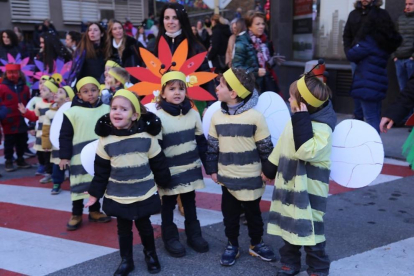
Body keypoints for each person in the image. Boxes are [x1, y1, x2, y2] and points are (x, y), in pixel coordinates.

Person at [85, 89, 171, 275]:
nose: (117, 112)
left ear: (134, 115)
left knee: (145, 227)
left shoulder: (147, 137)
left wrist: (164, 182)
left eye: (123, 109)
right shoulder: (105, 140)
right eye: (114, 108)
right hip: (118, 193)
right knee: (123, 229)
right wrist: (94, 194)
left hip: (143, 191)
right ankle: (126, 259)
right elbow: (101, 171)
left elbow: (158, 162)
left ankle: (150, 255)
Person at [262, 72, 336, 276]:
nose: (288, 99)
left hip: (310, 193)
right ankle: (290, 263)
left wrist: (301, 120)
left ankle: (318, 269)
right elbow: (282, 145)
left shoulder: (323, 129)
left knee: (312, 233)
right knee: (288, 226)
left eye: (292, 97)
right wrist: (270, 167)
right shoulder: (295, 120)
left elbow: (307, 150)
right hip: (289, 186)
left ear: (304, 105)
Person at [205, 68, 276, 266]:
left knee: (254, 215)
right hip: (227, 177)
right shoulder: (217, 117)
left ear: (233, 93)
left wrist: (268, 170)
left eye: (220, 84)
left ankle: (256, 243)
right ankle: (232, 244)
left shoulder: (255, 117)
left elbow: (265, 147)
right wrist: (212, 169)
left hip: (252, 176)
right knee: (230, 215)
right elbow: (212, 146)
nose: (217, 87)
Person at [156, 70, 209, 257]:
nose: (177, 92)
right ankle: (170, 238)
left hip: (190, 168)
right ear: (163, 93)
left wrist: (210, 168)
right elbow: (156, 150)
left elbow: (201, 142)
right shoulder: (158, 117)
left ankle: (194, 235)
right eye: (172, 89)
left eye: (181, 88)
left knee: (189, 203)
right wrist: (159, 174)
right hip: (169, 171)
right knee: (168, 205)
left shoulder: (193, 114)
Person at [59, 76, 111, 231]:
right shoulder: (72, 112)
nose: (90, 94)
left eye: (93, 90)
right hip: (77, 157)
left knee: (96, 181)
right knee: (78, 184)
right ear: (79, 95)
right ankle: (76, 214)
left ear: (99, 91)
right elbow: (65, 136)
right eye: (86, 91)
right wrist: (64, 156)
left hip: (99, 154)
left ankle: (94, 211)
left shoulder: (106, 109)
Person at [346, 7, 402, 133]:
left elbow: (351, 54)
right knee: (374, 116)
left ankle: (374, 147)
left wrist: (359, 40)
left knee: (371, 118)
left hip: (367, 83)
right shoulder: (384, 43)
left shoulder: (370, 42)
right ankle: (375, 146)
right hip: (377, 82)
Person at [155, 2, 216, 109]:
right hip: (162, 105)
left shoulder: (195, 47)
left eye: (175, 18)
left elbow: (207, 79)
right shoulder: (154, 47)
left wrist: (211, 106)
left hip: (191, 105)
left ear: (182, 20)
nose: (170, 22)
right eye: (167, 18)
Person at [343, 0, 391, 120]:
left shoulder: (382, 14)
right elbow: (347, 35)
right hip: (356, 58)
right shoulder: (353, 14)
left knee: (372, 91)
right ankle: (358, 118)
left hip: (374, 60)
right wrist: (349, 52)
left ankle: (372, 121)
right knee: (358, 89)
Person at [233, 11, 284, 93]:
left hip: (267, 83)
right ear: (249, 26)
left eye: (263, 24)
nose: (261, 26)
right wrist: (255, 72)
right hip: (251, 87)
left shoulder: (265, 41)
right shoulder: (242, 42)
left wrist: (271, 62)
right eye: (258, 24)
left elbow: (265, 65)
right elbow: (236, 67)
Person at [19, 79, 57, 182]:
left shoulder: (57, 105)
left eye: (44, 90)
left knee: (54, 154)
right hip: (41, 133)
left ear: (52, 93)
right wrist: (25, 112)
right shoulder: (39, 104)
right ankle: (48, 173)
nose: (40, 91)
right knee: (44, 153)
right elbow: (35, 116)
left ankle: (56, 173)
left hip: (53, 134)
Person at [41, 86, 74, 194]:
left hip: (70, 144)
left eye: (60, 92)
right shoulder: (50, 113)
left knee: (72, 165)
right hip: (57, 145)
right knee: (57, 165)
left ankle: (75, 184)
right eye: (57, 92)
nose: (56, 94)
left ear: (68, 99)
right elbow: (46, 129)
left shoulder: (73, 112)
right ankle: (57, 183)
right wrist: (46, 144)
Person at [0, 64, 31, 172]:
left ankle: (20, 158)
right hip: (8, 120)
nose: (12, 75)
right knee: (9, 142)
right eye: (10, 73)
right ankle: (9, 160)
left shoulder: (25, 88)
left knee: (22, 140)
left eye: (14, 73)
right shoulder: (1, 87)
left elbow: (28, 102)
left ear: (19, 73)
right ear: (6, 74)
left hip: (21, 118)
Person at [393, 0, 414, 91]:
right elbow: (393, 37)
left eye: (411, 4)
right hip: (399, 60)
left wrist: (413, 57)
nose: (407, 6)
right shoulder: (400, 19)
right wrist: (394, 56)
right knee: (403, 90)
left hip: (411, 60)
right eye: (406, 4)